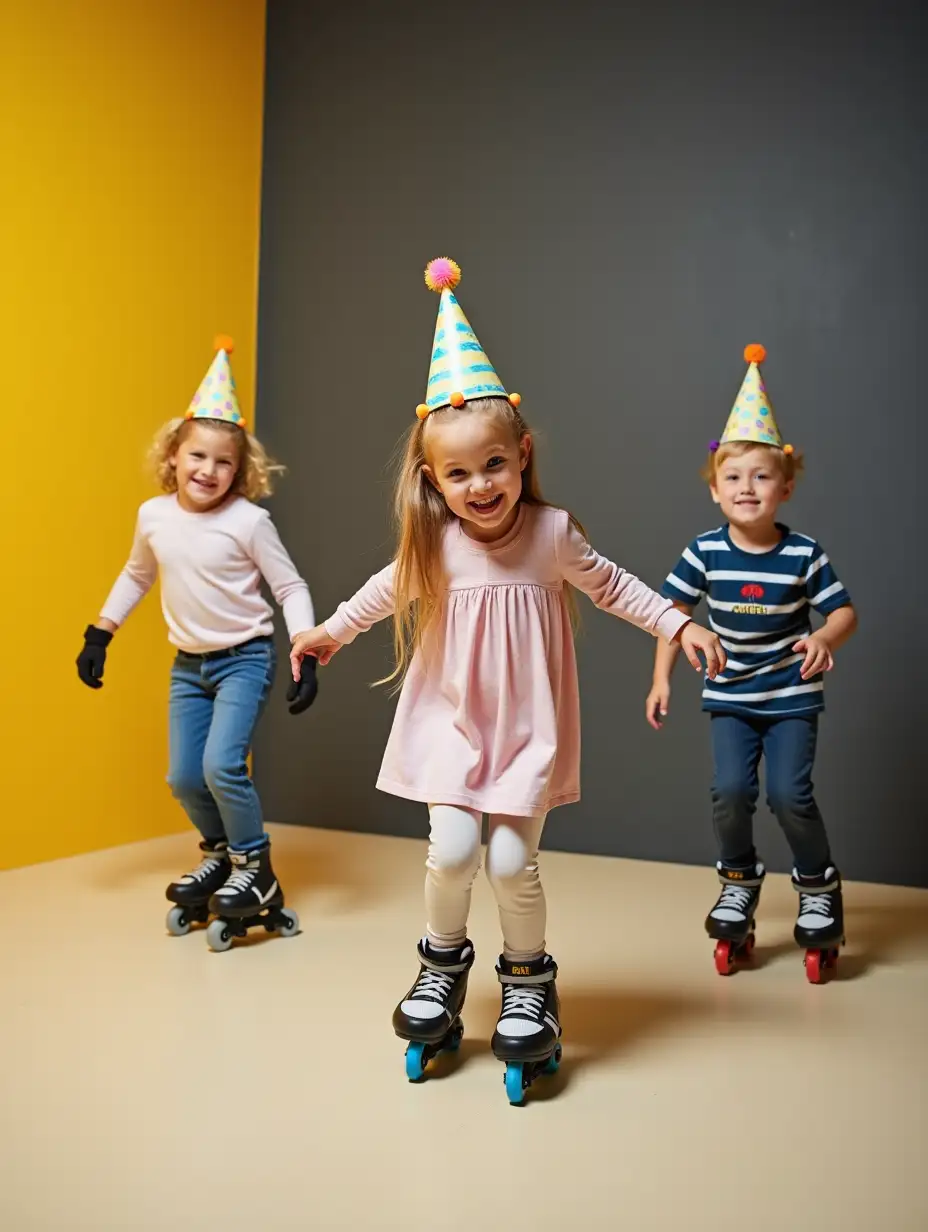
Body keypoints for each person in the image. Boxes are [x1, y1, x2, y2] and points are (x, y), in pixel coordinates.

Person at [290, 259, 725, 1099]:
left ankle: (527, 980)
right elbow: (382, 594)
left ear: (522, 455)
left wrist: (676, 622)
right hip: (450, 725)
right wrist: (331, 635)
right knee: (451, 852)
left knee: (511, 863)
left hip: (525, 731)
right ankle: (442, 969)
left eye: (494, 465)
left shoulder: (553, 534)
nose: (479, 486)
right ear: (433, 483)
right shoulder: (435, 544)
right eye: (458, 475)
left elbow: (617, 585)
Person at [76, 337, 318, 948]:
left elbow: (289, 586)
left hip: (244, 659)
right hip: (188, 666)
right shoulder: (153, 516)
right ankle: (220, 854)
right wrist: (100, 632)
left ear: (242, 471)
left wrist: (305, 651)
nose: (208, 471)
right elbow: (137, 574)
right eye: (197, 457)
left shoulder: (248, 522)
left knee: (221, 765)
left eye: (223, 463)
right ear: (173, 457)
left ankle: (254, 869)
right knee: (185, 776)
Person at [647, 344, 857, 982]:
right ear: (715, 490)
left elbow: (845, 612)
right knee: (731, 794)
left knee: (790, 795)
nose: (747, 488)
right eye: (733, 478)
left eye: (761, 477)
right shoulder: (704, 552)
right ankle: (738, 881)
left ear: (785, 486)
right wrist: (662, 675)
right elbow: (670, 614)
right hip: (731, 697)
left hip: (791, 697)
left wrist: (827, 639)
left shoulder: (804, 553)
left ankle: (818, 887)